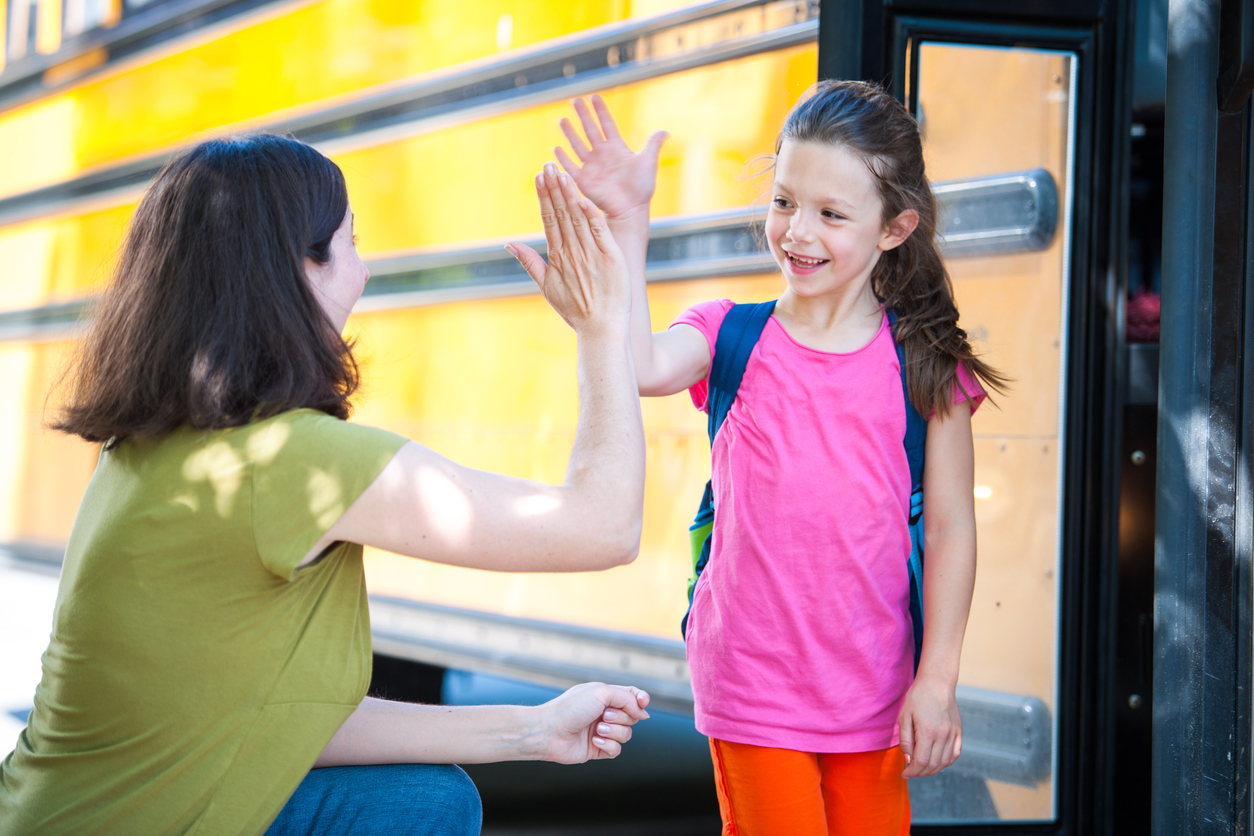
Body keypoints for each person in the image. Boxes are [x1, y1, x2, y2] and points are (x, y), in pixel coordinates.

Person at [0, 135, 651, 836]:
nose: (363, 273)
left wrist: (533, 731)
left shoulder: (150, 444)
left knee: (425, 800)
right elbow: (603, 526)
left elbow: (269, 719)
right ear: (294, 270)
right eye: (350, 244)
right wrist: (602, 328)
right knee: (424, 808)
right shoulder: (295, 462)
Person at [551, 81, 1007, 835]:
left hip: (875, 691)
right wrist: (629, 221)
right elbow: (637, 365)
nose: (798, 231)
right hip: (753, 687)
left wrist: (938, 678)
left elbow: (954, 526)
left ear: (895, 228)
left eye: (832, 214)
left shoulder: (924, 363)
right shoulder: (732, 335)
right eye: (785, 202)